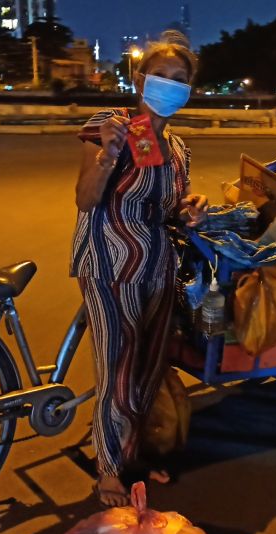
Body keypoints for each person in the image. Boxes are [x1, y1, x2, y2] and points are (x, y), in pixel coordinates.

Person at [72, 30, 207, 507]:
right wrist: (107, 155)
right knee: (118, 366)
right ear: (139, 79)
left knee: (148, 367)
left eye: (179, 77)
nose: (169, 84)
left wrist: (191, 208)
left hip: (157, 265)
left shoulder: (177, 148)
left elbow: (167, 208)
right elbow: (86, 197)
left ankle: (135, 455)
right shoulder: (111, 125)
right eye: (160, 74)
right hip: (110, 262)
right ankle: (109, 468)